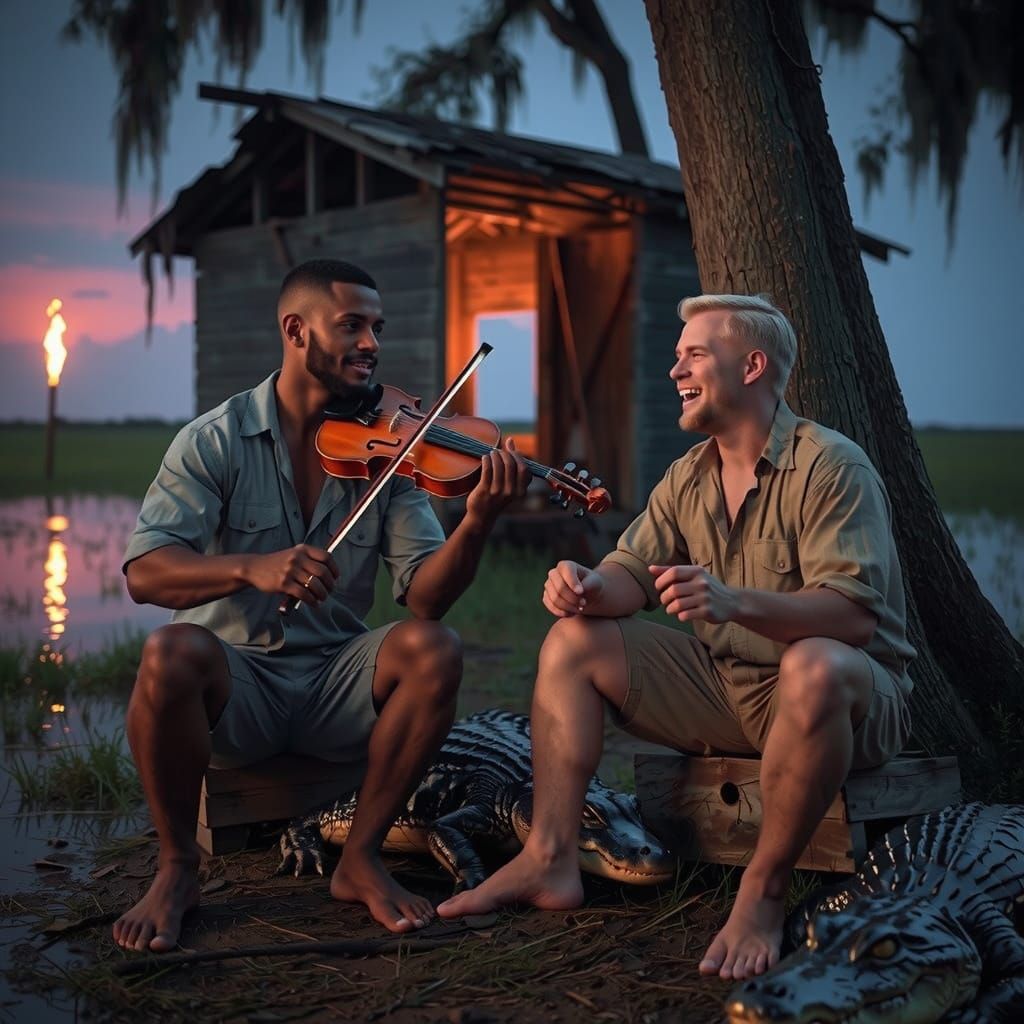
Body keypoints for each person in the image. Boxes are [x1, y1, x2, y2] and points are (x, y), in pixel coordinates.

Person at [437, 294, 915, 982]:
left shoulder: (831, 466)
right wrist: (584, 584)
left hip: (846, 700)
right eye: (676, 355)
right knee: (574, 640)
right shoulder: (687, 475)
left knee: (813, 663)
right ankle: (550, 857)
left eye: (693, 354)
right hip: (731, 690)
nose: (674, 370)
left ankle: (763, 891)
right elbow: (629, 571)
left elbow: (853, 618)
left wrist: (732, 600)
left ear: (751, 366)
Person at [114, 259, 529, 953]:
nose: (371, 342)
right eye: (352, 325)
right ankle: (179, 868)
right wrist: (255, 566)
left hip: (338, 685)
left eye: (377, 328)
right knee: (169, 653)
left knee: (435, 648)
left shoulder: (391, 451)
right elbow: (146, 574)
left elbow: (426, 596)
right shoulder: (213, 441)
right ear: (297, 331)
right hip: (240, 688)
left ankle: (360, 858)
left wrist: (479, 521)